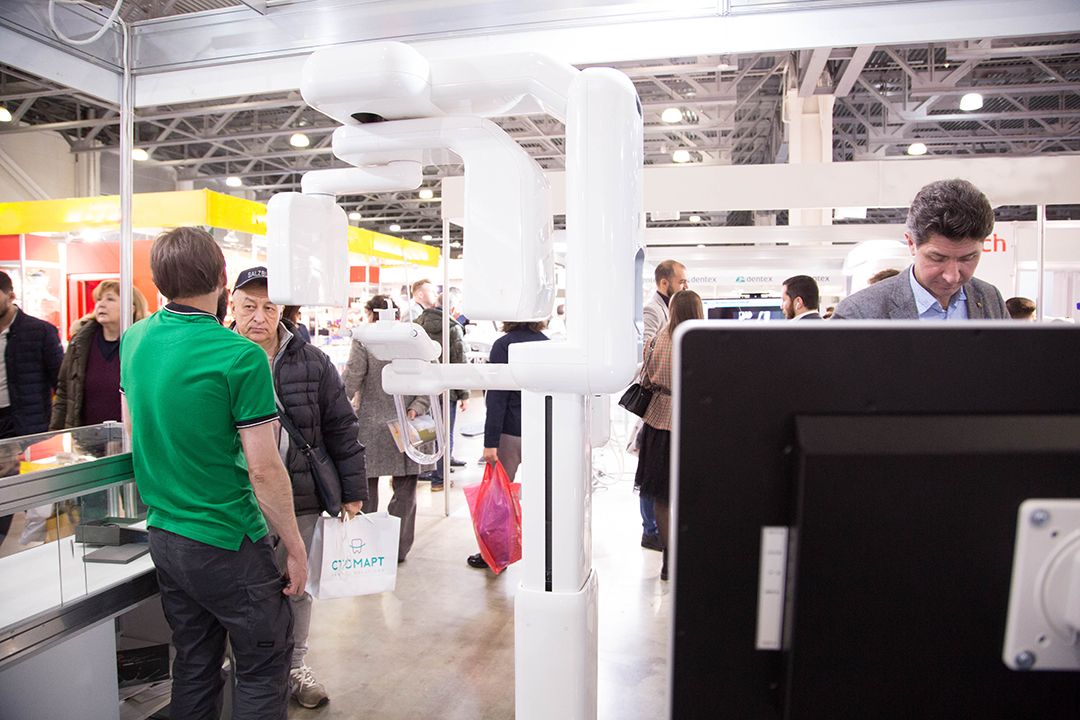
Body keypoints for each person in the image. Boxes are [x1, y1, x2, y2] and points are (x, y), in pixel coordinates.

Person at [120, 227, 307, 720]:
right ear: (223, 279)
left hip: (165, 534)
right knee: (263, 666)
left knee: (194, 663)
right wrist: (294, 545)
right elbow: (263, 469)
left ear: (159, 280)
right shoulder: (240, 356)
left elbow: (134, 428)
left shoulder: (135, 339)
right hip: (228, 538)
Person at [231, 266, 367, 709]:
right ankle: (246, 669)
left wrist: (352, 489)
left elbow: (341, 425)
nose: (259, 317)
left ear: (282, 310)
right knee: (240, 590)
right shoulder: (217, 356)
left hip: (300, 495)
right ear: (232, 305)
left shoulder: (312, 361)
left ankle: (294, 666)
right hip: (235, 501)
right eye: (249, 306)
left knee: (296, 584)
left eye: (269, 307)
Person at [832, 179, 1008, 321]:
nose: (952, 276)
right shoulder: (858, 313)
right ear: (911, 244)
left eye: (967, 258)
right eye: (937, 258)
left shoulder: (989, 298)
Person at [343, 295, 430, 563]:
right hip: (407, 423)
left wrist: (337, 406)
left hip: (371, 424)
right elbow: (429, 376)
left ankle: (369, 549)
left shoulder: (364, 339)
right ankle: (398, 549)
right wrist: (417, 407)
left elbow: (352, 377)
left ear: (371, 313)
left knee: (366, 491)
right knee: (405, 491)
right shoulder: (413, 336)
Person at [467, 319, 549, 570]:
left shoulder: (504, 345)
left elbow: (497, 396)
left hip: (509, 431)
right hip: (540, 430)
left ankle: (497, 554)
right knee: (542, 495)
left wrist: (490, 442)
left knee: (499, 496)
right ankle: (542, 553)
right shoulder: (547, 345)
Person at [634, 290, 704, 582]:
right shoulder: (702, 343)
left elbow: (646, 380)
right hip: (693, 423)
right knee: (693, 493)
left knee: (662, 497)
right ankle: (692, 555)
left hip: (658, 422)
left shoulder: (655, 342)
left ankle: (668, 558)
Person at [0, 270, 64, 543]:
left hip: (31, 429)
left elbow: (61, 383)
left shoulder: (40, 332)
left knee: (38, 507)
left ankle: (38, 553)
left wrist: (56, 431)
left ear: (11, 295)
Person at [51, 280, 149, 430]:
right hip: (85, 437)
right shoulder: (79, 343)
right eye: (98, 299)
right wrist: (56, 433)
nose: (101, 304)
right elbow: (64, 392)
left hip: (132, 434)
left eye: (110, 299)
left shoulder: (143, 343)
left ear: (131, 307)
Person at [637, 259, 687, 552]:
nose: (684, 286)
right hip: (659, 410)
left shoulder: (673, 320)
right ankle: (651, 530)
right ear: (664, 283)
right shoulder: (653, 311)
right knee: (653, 478)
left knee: (659, 477)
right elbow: (645, 354)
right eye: (681, 281)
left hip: (665, 410)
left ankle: (660, 532)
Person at [416, 292, 469, 490]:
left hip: (420, 388)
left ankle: (423, 470)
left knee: (424, 432)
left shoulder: (416, 325)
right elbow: (459, 362)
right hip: (447, 389)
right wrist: (464, 394)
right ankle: (440, 478)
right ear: (452, 308)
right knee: (445, 434)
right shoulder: (453, 328)